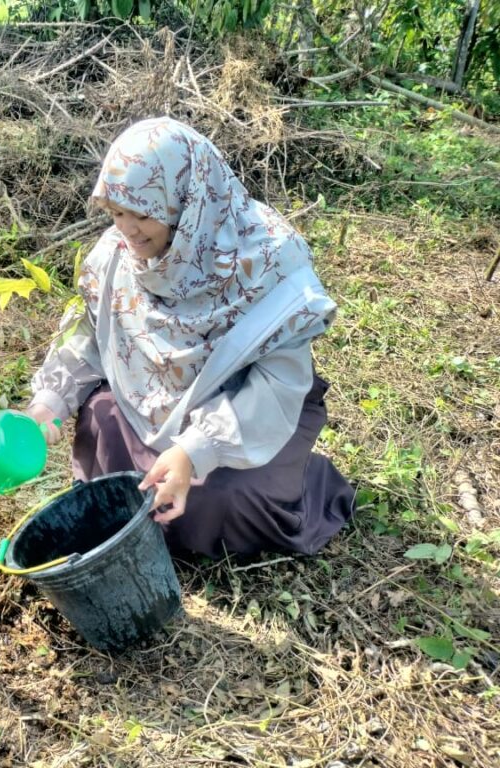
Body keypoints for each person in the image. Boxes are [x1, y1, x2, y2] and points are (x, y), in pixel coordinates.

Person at [26, 117, 354, 559]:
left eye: (143, 214)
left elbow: (279, 384)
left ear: (189, 203)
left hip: (248, 410)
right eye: (116, 212)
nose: (127, 229)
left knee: (221, 498)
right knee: (100, 420)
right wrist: (49, 403)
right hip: (153, 402)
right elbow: (94, 333)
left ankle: (305, 480)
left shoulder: (265, 260)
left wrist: (194, 451)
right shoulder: (117, 255)